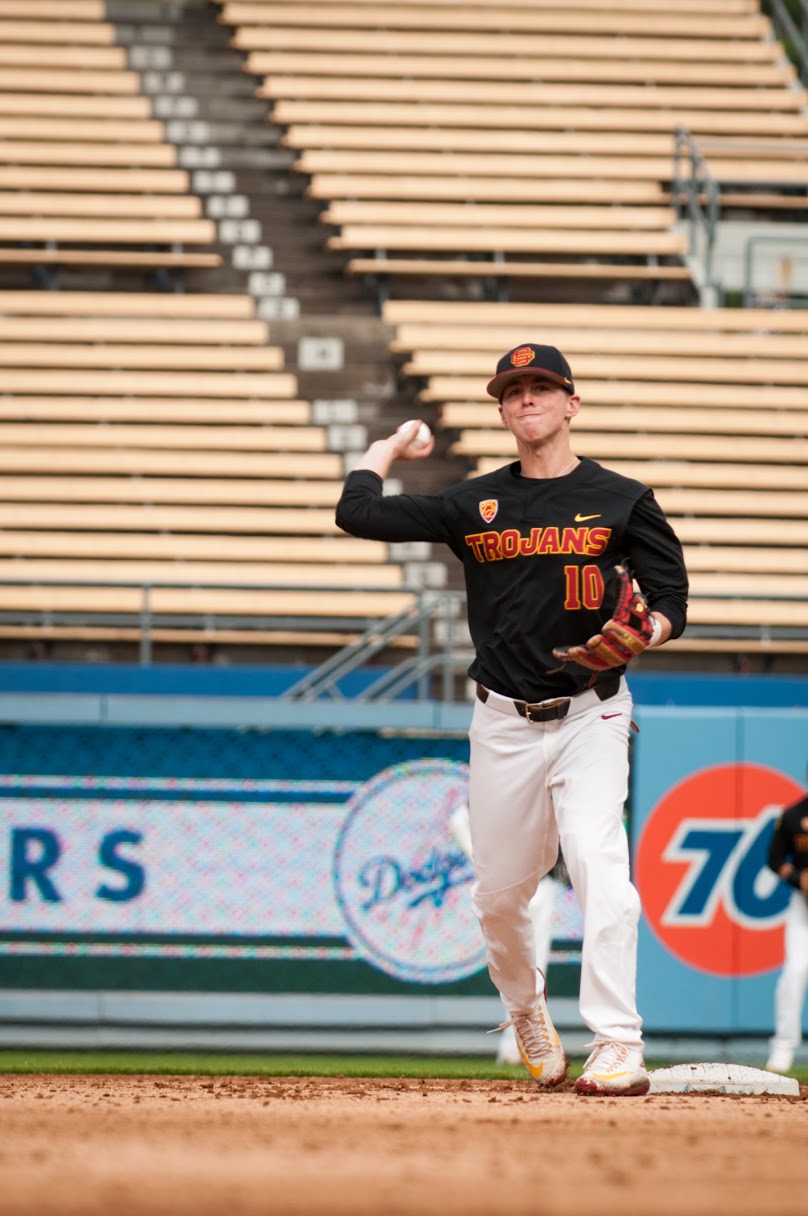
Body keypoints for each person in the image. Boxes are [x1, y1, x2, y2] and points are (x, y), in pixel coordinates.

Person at [336, 342, 688, 1096]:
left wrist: (647, 632)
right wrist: (385, 447)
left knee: (601, 868)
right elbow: (356, 512)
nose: (527, 399)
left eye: (541, 387)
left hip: (592, 713)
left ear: (571, 403)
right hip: (501, 720)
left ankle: (618, 1041)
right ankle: (526, 1009)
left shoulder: (623, 498)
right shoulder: (474, 503)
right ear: (502, 411)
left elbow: (671, 600)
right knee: (498, 898)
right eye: (513, 391)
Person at [450, 801, 566, 1066]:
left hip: (526, 883)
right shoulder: (515, 780)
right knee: (525, 970)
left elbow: (458, 820)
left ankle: (517, 1048)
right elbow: (458, 820)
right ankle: (520, 1047)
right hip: (525, 883)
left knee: (522, 969)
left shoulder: (523, 783)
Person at [765, 788, 808, 1073]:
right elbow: (774, 859)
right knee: (795, 971)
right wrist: (797, 878)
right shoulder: (793, 815)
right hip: (803, 905)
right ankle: (783, 1047)